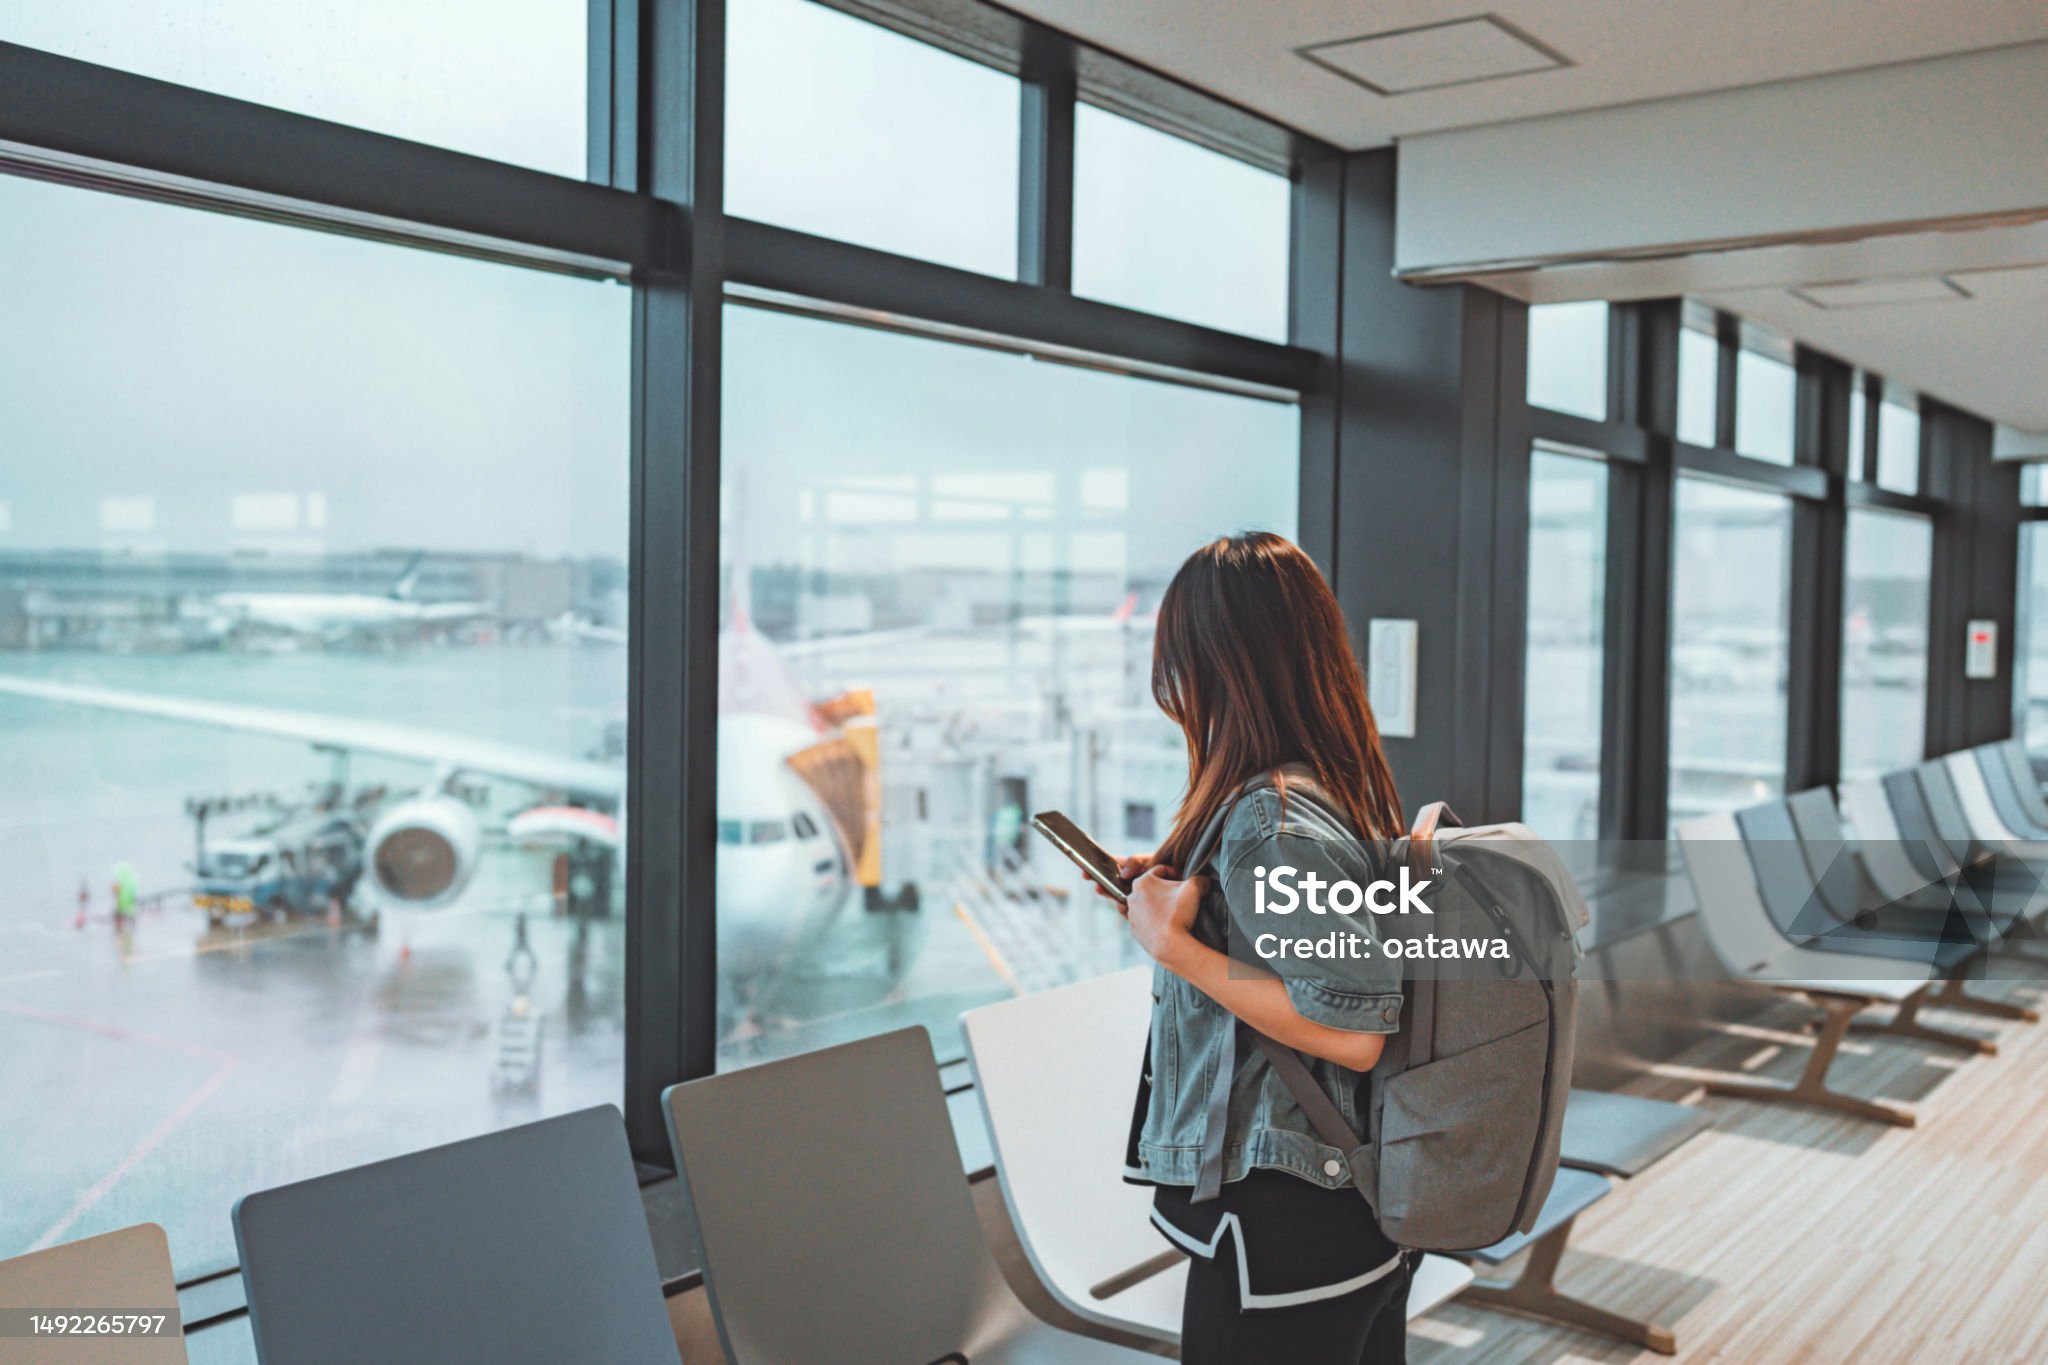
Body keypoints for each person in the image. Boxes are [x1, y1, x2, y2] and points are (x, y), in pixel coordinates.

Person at [1113, 531, 1412, 1364]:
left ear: (1220, 665)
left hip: (1284, 1222)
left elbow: (1353, 1029)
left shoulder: (1272, 817)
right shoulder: (1332, 785)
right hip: (1337, 1207)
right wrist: (1190, 901)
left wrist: (1178, 948)